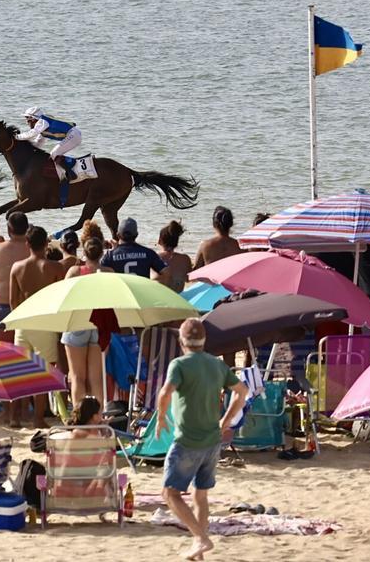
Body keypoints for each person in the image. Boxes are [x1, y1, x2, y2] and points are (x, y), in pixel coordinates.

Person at [156, 318, 248, 562]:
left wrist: (160, 418)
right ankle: (199, 551)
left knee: (170, 494)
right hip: (212, 441)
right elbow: (242, 392)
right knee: (200, 495)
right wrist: (225, 421)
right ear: (204, 341)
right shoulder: (216, 365)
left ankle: (200, 538)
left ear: (181, 341)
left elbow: (165, 393)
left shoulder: (179, 364)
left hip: (188, 440)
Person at [10, 226, 67, 427]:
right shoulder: (55, 268)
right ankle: (38, 418)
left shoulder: (17, 267)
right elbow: (61, 299)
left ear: (27, 244)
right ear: (46, 244)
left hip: (23, 322)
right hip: (45, 321)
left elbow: (12, 302)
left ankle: (15, 417)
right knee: (45, 372)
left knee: (20, 372)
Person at [63, 231, 110, 408]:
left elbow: (64, 297)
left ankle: (79, 416)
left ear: (83, 251)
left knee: (77, 377)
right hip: (99, 326)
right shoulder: (109, 272)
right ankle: (98, 417)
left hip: (78, 323)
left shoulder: (75, 271)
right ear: (102, 253)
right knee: (96, 378)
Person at [15, 106, 83, 176]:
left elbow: (32, 133)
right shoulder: (42, 129)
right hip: (73, 135)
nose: (26, 122)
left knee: (54, 153)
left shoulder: (43, 122)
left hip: (74, 135)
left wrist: (16, 137)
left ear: (33, 119)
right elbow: (37, 144)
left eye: (27, 119)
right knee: (54, 154)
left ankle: (71, 174)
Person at [102, 218, 166, 278]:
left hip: (120, 289)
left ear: (118, 235)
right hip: (141, 289)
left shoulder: (110, 256)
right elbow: (167, 273)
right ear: (136, 235)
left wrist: (112, 249)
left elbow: (97, 272)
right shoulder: (148, 253)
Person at [156, 220, 193, 292]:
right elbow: (188, 279)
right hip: (179, 299)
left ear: (160, 241)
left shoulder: (156, 258)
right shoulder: (185, 259)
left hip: (160, 300)